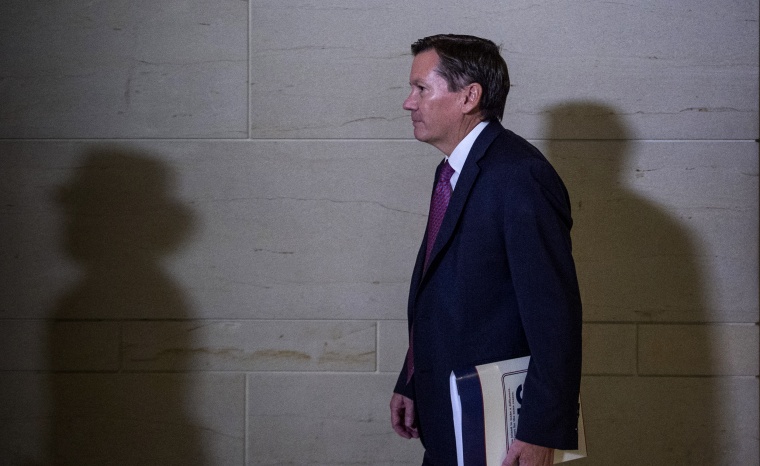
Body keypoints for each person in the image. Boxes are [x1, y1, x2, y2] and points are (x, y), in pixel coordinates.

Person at [389, 34, 582, 466]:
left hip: (498, 432)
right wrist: (413, 377)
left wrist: (540, 430)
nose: (408, 102)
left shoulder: (519, 175)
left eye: (421, 88)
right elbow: (446, 294)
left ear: (468, 96)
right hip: (446, 414)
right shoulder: (451, 170)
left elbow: (554, 318)